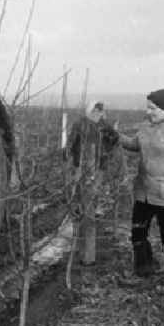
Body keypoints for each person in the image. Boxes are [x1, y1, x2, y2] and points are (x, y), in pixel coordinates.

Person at [109, 89, 164, 309]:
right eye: (147, 107)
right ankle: (144, 268)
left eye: (153, 108)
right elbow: (135, 145)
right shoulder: (146, 128)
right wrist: (117, 138)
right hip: (144, 193)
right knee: (137, 234)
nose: (148, 112)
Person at [65, 100, 119, 265]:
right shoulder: (80, 125)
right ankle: (80, 250)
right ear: (89, 111)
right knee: (78, 211)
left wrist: (102, 167)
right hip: (80, 173)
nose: (98, 113)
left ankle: (88, 257)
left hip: (95, 175)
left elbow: (114, 142)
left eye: (100, 111)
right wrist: (72, 170)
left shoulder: (104, 128)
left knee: (88, 213)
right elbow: (69, 148)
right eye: (95, 110)